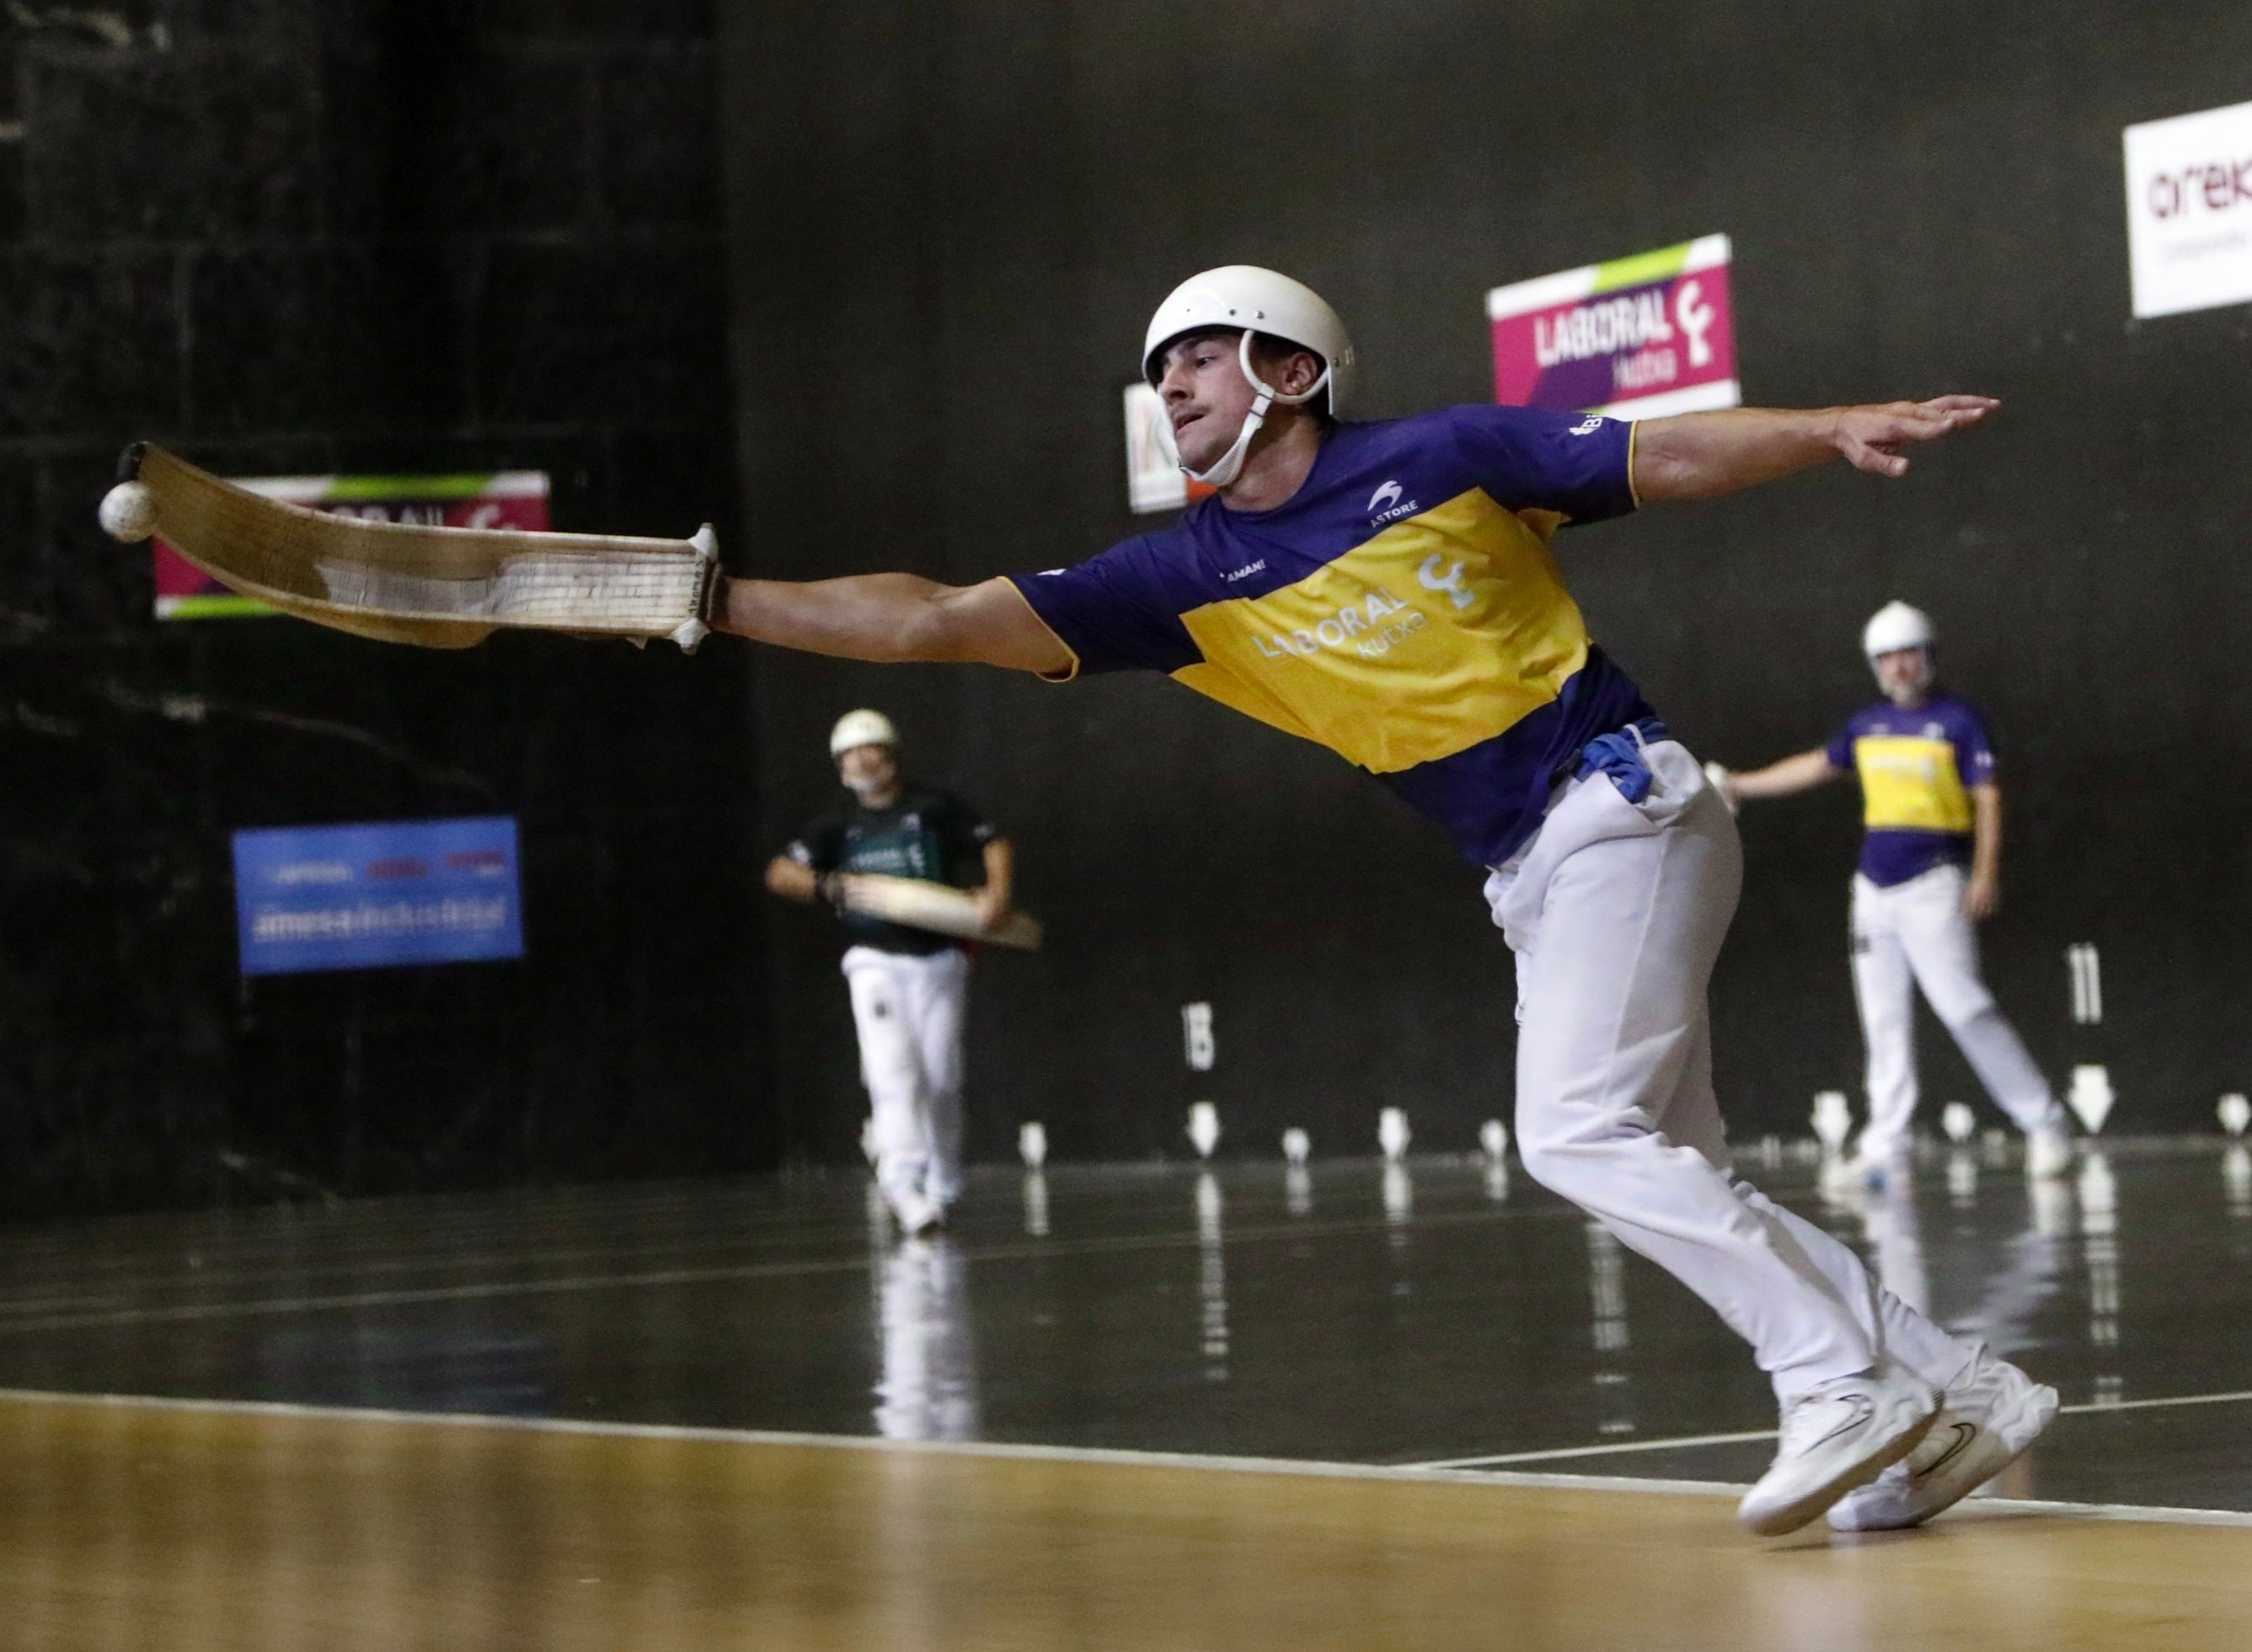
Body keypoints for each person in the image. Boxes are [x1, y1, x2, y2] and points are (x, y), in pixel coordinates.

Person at [714, 266, 2055, 1536]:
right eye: (1156, 370)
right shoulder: (1176, 581)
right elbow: (929, 617)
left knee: (1574, 1132)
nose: (1169, 386)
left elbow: (1663, 453)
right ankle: (1964, 1391)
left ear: (1286, 368)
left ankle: (1837, 1383)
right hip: (1535, 873)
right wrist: (714, 603)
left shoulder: (1443, 455)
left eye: (1197, 355)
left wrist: (1824, 428)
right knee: (1671, 1166)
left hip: (1619, 805)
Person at [1713, 604, 2072, 1185]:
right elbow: (1815, 765)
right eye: (1886, 657)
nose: (1899, 666)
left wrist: (1983, 874)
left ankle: (2045, 1122)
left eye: (1908, 653)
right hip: (1872, 891)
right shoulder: (1867, 725)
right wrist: (1737, 785)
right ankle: (1885, 1147)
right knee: (1881, 1021)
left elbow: (1988, 798)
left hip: (1935, 884)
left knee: (1964, 1007)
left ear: (1927, 655)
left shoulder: (1958, 721)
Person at [766, 709, 1014, 1237]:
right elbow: (781, 872)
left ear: (891, 754)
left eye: (868, 749)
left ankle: (944, 1179)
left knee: (941, 1079)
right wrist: (830, 886)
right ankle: (902, 1184)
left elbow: (993, 843)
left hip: (941, 960)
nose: (859, 760)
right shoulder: (836, 825)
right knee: (892, 1075)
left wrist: (997, 896)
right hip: (873, 962)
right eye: (848, 754)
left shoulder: (934, 807)